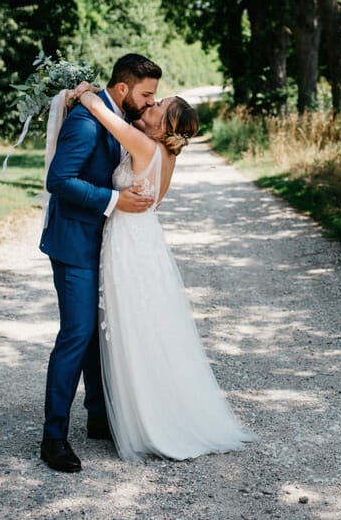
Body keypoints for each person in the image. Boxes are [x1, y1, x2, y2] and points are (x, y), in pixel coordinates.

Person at [71, 80, 256, 461]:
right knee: (146, 328)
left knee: (129, 330)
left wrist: (82, 91)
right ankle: (135, 410)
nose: (150, 106)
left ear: (163, 128)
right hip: (144, 243)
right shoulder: (166, 157)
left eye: (158, 108)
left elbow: (100, 112)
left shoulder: (144, 145)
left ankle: (143, 418)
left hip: (129, 247)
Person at [38, 54, 161, 473]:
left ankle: (96, 417)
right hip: (74, 243)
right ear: (123, 89)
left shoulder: (112, 118)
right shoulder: (87, 120)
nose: (149, 104)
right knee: (76, 334)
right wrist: (113, 200)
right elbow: (59, 180)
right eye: (146, 95)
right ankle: (53, 436)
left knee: (95, 335)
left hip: (103, 246)